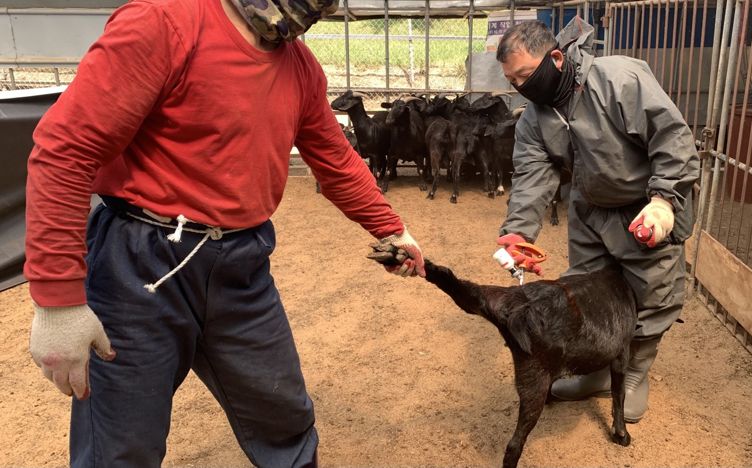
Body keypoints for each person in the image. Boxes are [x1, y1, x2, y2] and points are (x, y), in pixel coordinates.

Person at [24, 0, 425, 466]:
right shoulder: (164, 22)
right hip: (140, 264)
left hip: (241, 261)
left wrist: (392, 228)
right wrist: (59, 301)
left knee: (284, 419)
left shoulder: (299, 66)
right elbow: (66, 150)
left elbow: (334, 159)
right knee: (120, 444)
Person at [494, 17, 700, 423]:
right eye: (511, 80)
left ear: (555, 58)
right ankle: (599, 371)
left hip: (644, 206)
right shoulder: (536, 116)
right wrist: (518, 231)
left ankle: (634, 375)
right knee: (587, 290)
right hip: (589, 209)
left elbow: (671, 137)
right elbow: (533, 175)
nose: (520, 86)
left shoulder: (618, 79)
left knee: (651, 287)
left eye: (524, 75)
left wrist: (664, 200)